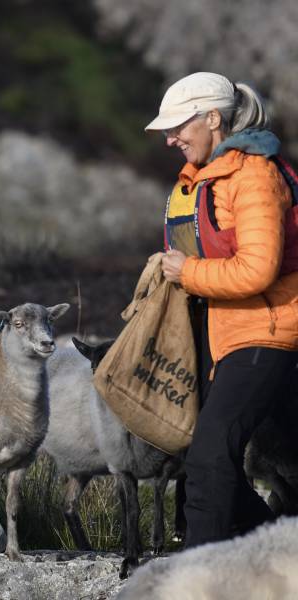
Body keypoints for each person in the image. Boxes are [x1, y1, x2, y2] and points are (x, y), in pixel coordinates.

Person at [145, 72, 298, 548]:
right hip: (233, 334)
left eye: (178, 126)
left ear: (214, 119)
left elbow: (256, 270)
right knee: (209, 461)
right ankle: (277, 551)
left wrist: (186, 272)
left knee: (210, 458)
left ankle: (200, 577)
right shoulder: (208, 179)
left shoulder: (253, 177)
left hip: (269, 332)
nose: (170, 138)